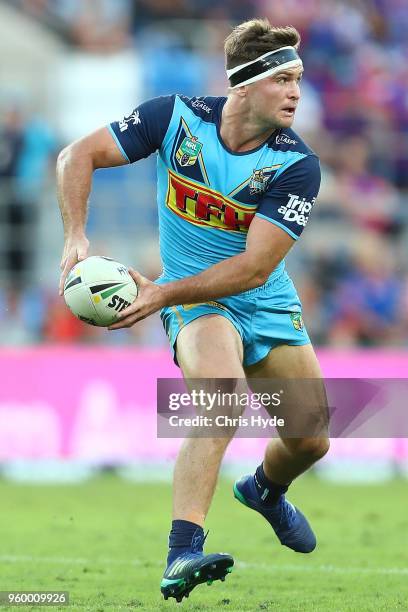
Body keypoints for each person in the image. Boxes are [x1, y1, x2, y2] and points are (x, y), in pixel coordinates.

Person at [57, 18, 330, 603]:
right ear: (245, 85)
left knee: (311, 440)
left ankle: (263, 490)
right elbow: (77, 155)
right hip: (196, 302)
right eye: (283, 79)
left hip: (265, 301)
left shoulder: (296, 165)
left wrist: (155, 293)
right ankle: (184, 550)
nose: (296, 93)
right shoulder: (174, 117)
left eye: (299, 80)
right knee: (220, 400)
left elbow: (254, 269)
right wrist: (75, 236)